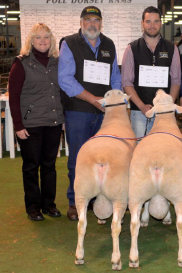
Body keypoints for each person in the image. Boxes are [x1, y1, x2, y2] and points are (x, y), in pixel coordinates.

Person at [58, 6, 121, 221]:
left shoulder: (109, 45)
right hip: (78, 111)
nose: (92, 23)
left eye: (96, 20)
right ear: (81, 22)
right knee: (78, 158)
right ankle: (75, 201)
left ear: (100, 23)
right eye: (88, 20)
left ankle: (98, 199)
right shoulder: (69, 43)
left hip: (104, 114)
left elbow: (116, 78)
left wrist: (115, 103)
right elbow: (65, 79)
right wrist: (92, 100)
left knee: (102, 158)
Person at [9, 23, 65, 221]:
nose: (43, 41)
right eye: (38, 37)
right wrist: (18, 126)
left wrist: (63, 117)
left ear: (51, 40)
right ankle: (33, 206)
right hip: (30, 124)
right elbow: (13, 97)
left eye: (46, 37)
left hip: (53, 121)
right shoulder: (21, 63)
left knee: (49, 165)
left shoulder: (58, 63)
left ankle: (49, 204)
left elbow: (62, 92)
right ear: (30, 41)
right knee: (31, 166)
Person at [121, 6, 181, 138]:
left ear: (161, 23)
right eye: (148, 21)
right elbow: (126, 82)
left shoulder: (172, 49)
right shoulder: (132, 48)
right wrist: (141, 106)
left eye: (156, 21)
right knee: (140, 151)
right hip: (140, 113)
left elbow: (176, 80)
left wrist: (169, 105)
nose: (152, 25)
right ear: (142, 23)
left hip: (164, 113)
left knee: (164, 149)